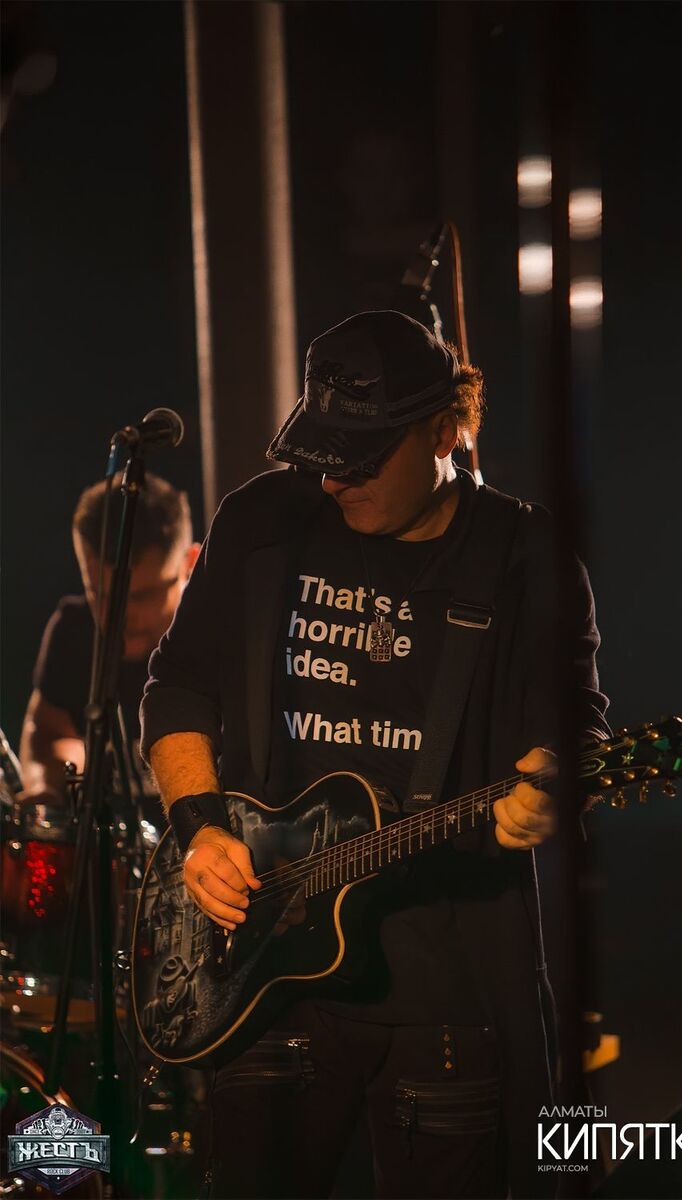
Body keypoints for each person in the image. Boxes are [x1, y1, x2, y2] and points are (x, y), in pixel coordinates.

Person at [140, 310, 610, 1199]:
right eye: (322, 455)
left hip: (446, 988)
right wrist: (199, 828)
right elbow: (178, 688)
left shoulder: (522, 555)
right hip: (263, 974)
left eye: (360, 461)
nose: (333, 481)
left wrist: (556, 786)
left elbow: (576, 726)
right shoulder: (263, 520)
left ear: (445, 430)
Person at [20, 472, 200, 806]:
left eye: (142, 596)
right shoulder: (74, 629)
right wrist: (50, 782)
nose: (120, 615)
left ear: (190, 563)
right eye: (101, 593)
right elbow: (49, 732)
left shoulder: (220, 638)